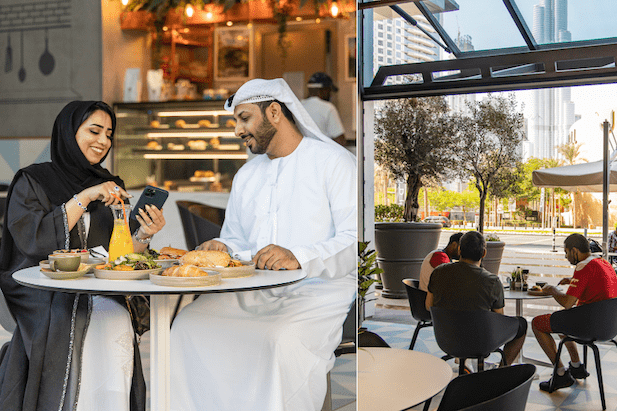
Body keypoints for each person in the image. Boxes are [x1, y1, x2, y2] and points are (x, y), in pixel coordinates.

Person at [169, 78, 356, 411]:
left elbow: (353, 241)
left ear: (273, 112)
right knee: (188, 325)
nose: (238, 130)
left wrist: (298, 257)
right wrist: (223, 247)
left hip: (316, 290)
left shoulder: (334, 162)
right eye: (236, 121)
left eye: (244, 118)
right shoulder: (247, 175)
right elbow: (237, 238)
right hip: (254, 288)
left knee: (278, 340)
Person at [0, 100, 165, 411]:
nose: (103, 141)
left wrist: (144, 233)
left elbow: (121, 256)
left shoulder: (112, 185)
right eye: (94, 131)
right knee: (79, 318)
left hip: (104, 293)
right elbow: (32, 241)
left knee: (115, 319)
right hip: (51, 296)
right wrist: (84, 197)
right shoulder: (33, 180)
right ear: (68, 132)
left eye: (109, 134)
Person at [532, 233, 617, 393]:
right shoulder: (602, 263)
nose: (566, 257)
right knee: (561, 321)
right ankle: (576, 366)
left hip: (589, 327)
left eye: (566, 252)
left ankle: (561, 373)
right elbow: (595, 283)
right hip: (608, 325)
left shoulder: (583, 267)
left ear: (575, 251)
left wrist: (553, 290)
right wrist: (572, 281)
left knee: (538, 323)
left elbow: (567, 303)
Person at [425, 231, 527, 366]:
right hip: (480, 342)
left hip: (446, 339)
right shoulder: (491, 281)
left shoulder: (438, 272)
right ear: (484, 253)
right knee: (521, 324)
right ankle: (501, 371)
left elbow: (428, 306)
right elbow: (499, 316)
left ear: (460, 249)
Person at [301, 71, 347, 146]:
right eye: (329, 91)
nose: (330, 95)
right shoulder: (328, 107)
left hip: (303, 153)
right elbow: (340, 141)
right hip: (323, 154)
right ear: (324, 90)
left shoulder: (298, 105)